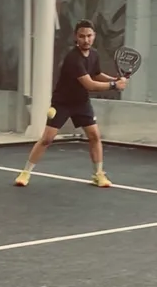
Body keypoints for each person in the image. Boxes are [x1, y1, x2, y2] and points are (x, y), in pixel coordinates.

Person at [14, 19, 126, 188]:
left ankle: (98, 174)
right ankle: (25, 173)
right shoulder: (73, 58)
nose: (86, 40)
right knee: (47, 139)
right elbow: (90, 84)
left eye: (89, 36)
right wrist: (114, 86)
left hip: (81, 103)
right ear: (76, 37)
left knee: (94, 136)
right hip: (62, 103)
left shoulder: (94, 54)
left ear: (94, 36)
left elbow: (96, 74)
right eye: (82, 36)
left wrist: (114, 79)